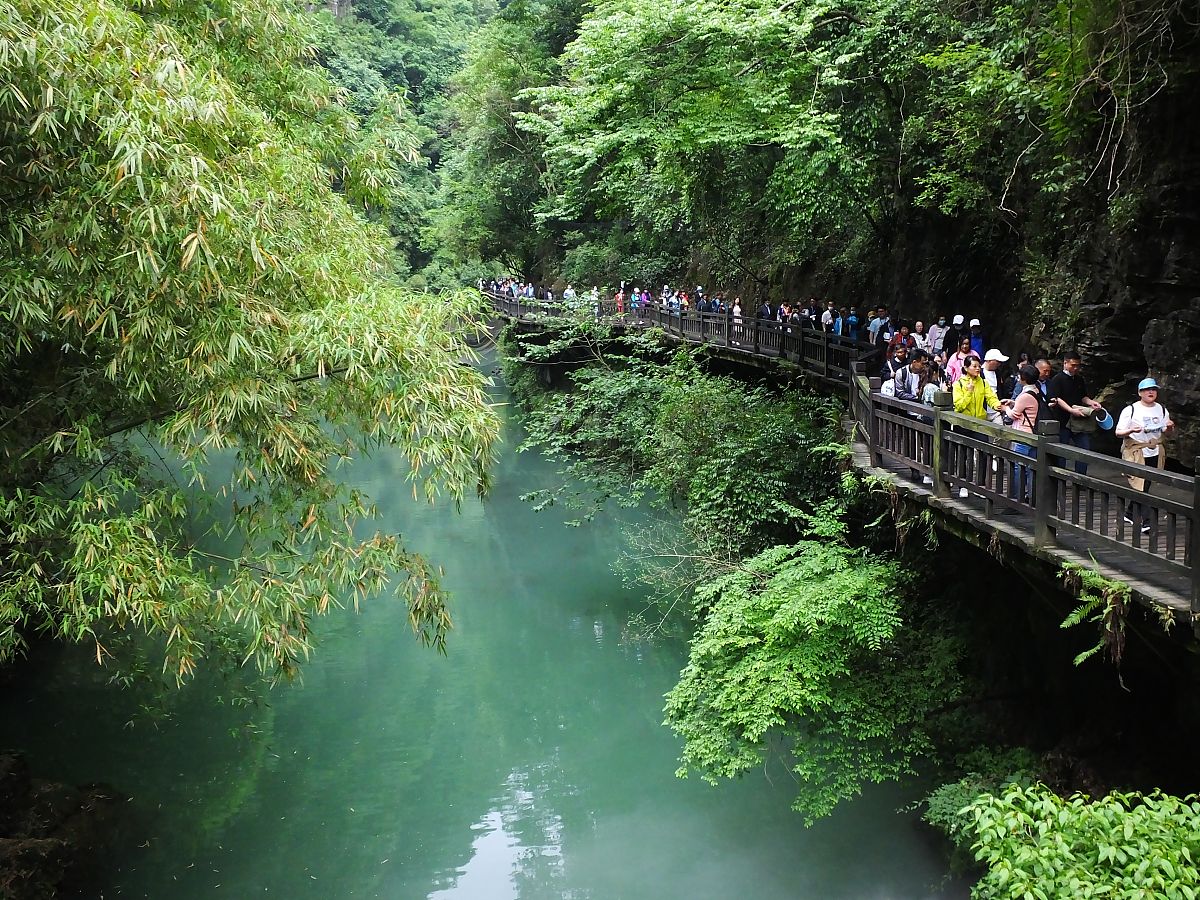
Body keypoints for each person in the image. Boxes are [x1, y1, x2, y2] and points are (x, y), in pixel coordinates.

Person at [1115, 377, 1175, 534]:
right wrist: (1131, 431)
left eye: (1154, 389)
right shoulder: (1131, 410)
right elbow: (1118, 432)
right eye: (1147, 390)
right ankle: (1148, 523)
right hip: (1136, 451)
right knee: (1140, 486)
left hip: (1154, 451)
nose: (1151, 392)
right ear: (1140, 392)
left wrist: (1169, 427)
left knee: (1145, 485)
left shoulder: (1161, 409)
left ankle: (1129, 514)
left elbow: (1165, 431)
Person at [1048, 350, 1102, 474]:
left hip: (1079, 421)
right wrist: (1071, 410)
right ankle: (1060, 477)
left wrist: (1091, 402)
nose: (1076, 368)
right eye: (1073, 365)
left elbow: (1083, 396)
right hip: (1063, 420)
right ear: (1065, 363)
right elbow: (1057, 398)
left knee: (1084, 448)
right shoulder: (1057, 379)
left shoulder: (1079, 379)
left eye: (1078, 365)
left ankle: (1080, 477)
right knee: (1062, 450)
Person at [1009, 364, 1046, 503]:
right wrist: (1013, 402)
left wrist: (1006, 408)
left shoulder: (1025, 395)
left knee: (1019, 466)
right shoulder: (1036, 390)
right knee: (1031, 467)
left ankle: (1018, 498)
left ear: (1023, 378)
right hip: (1033, 434)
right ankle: (1032, 497)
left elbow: (1013, 414)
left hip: (1023, 434)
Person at [954, 355, 1012, 420]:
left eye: (979, 366)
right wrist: (969, 392)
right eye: (974, 366)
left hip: (980, 421)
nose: (978, 368)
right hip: (964, 421)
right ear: (966, 368)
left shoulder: (983, 382)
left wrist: (997, 405)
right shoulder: (958, 384)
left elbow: (991, 397)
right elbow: (959, 406)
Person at [982, 349, 1013, 422]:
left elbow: (1001, 390)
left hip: (996, 411)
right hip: (983, 411)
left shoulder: (998, 373)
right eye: (997, 361)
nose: (999, 364)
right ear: (989, 361)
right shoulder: (979, 373)